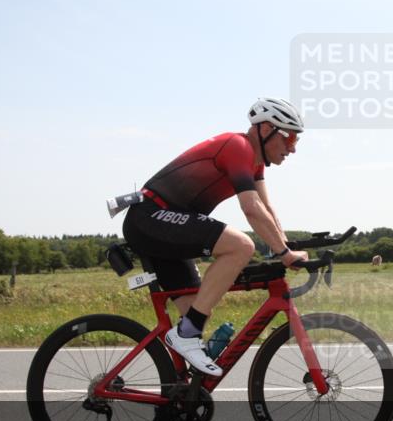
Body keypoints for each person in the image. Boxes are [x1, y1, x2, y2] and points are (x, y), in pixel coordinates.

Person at [121, 97, 308, 377]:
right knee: (240, 246)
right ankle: (186, 335)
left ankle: (181, 393)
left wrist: (287, 244)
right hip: (150, 217)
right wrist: (283, 253)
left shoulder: (255, 163)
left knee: (197, 309)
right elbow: (251, 209)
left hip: (168, 224)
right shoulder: (237, 147)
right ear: (267, 128)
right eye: (289, 138)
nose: (292, 149)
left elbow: (267, 208)